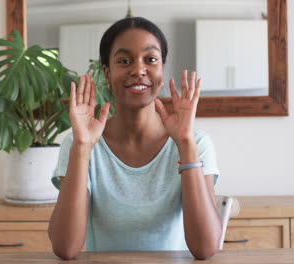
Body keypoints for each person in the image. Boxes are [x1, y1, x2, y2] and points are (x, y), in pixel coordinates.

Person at [48, 17, 222, 260]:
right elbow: (65, 248)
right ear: (107, 74)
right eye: (124, 61)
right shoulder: (79, 142)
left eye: (151, 60)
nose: (139, 70)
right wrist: (82, 148)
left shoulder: (196, 143)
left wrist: (185, 144)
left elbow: (205, 248)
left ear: (161, 70)